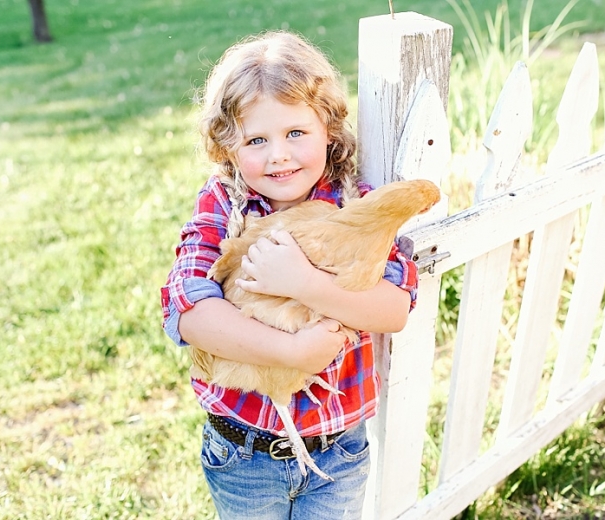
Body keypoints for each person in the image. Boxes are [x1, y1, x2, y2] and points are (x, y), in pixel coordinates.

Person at [160, 31, 419, 519]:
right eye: (257, 140)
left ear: (328, 129)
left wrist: (304, 283)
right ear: (228, 148)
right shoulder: (225, 206)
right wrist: (292, 352)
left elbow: (396, 307)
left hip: (339, 451)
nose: (278, 155)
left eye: (295, 133)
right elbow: (187, 311)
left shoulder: (355, 205)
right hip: (244, 453)